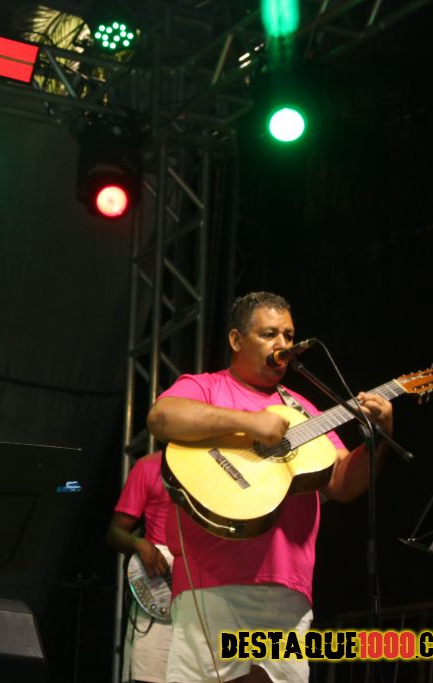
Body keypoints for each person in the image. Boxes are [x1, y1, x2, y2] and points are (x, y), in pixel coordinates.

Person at [146, 292, 392, 683]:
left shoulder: (304, 409)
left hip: (287, 591)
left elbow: (343, 483)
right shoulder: (206, 386)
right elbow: (162, 417)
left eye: (289, 336)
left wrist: (378, 438)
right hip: (213, 583)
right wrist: (251, 423)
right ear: (236, 340)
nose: (283, 345)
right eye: (269, 334)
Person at [107, 451, 175, 683]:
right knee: (149, 675)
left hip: (207, 588)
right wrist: (138, 543)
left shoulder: (220, 465)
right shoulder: (149, 466)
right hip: (159, 588)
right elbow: (114, 533)